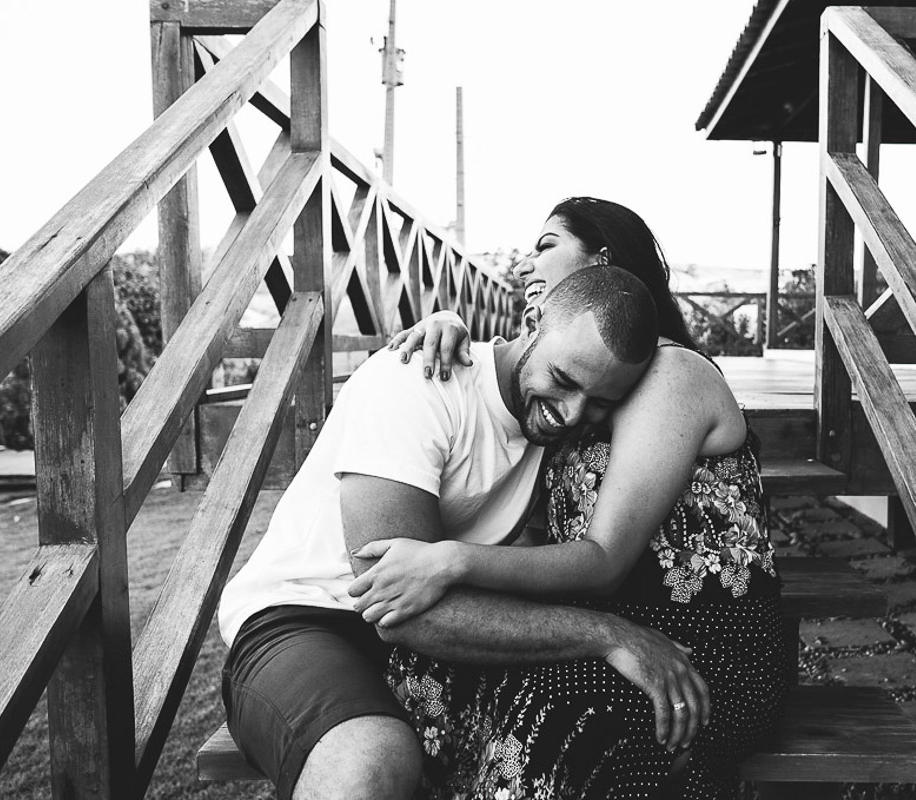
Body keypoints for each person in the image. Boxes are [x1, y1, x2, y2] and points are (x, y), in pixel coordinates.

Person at [355, 197, 791, 799]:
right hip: (616, 626)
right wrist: (448, 325)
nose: (525, 265)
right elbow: (511, 370)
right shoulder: (582, 390)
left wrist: (451, 559)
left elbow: (604, 558)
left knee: (555, 715)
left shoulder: (670, 375)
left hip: (707, 641)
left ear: (601, 262)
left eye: (546, 245)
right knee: (427, 671)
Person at [216, 266, 706, 800]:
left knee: (601, 736)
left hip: (432, 644)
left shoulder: (558, 420)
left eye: (601, 402)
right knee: (369, 762)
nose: (571, 414)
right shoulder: (417, 379)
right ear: (531, 322)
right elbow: (397, 607)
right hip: (307, 616)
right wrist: (608, 635)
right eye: (563, 381)